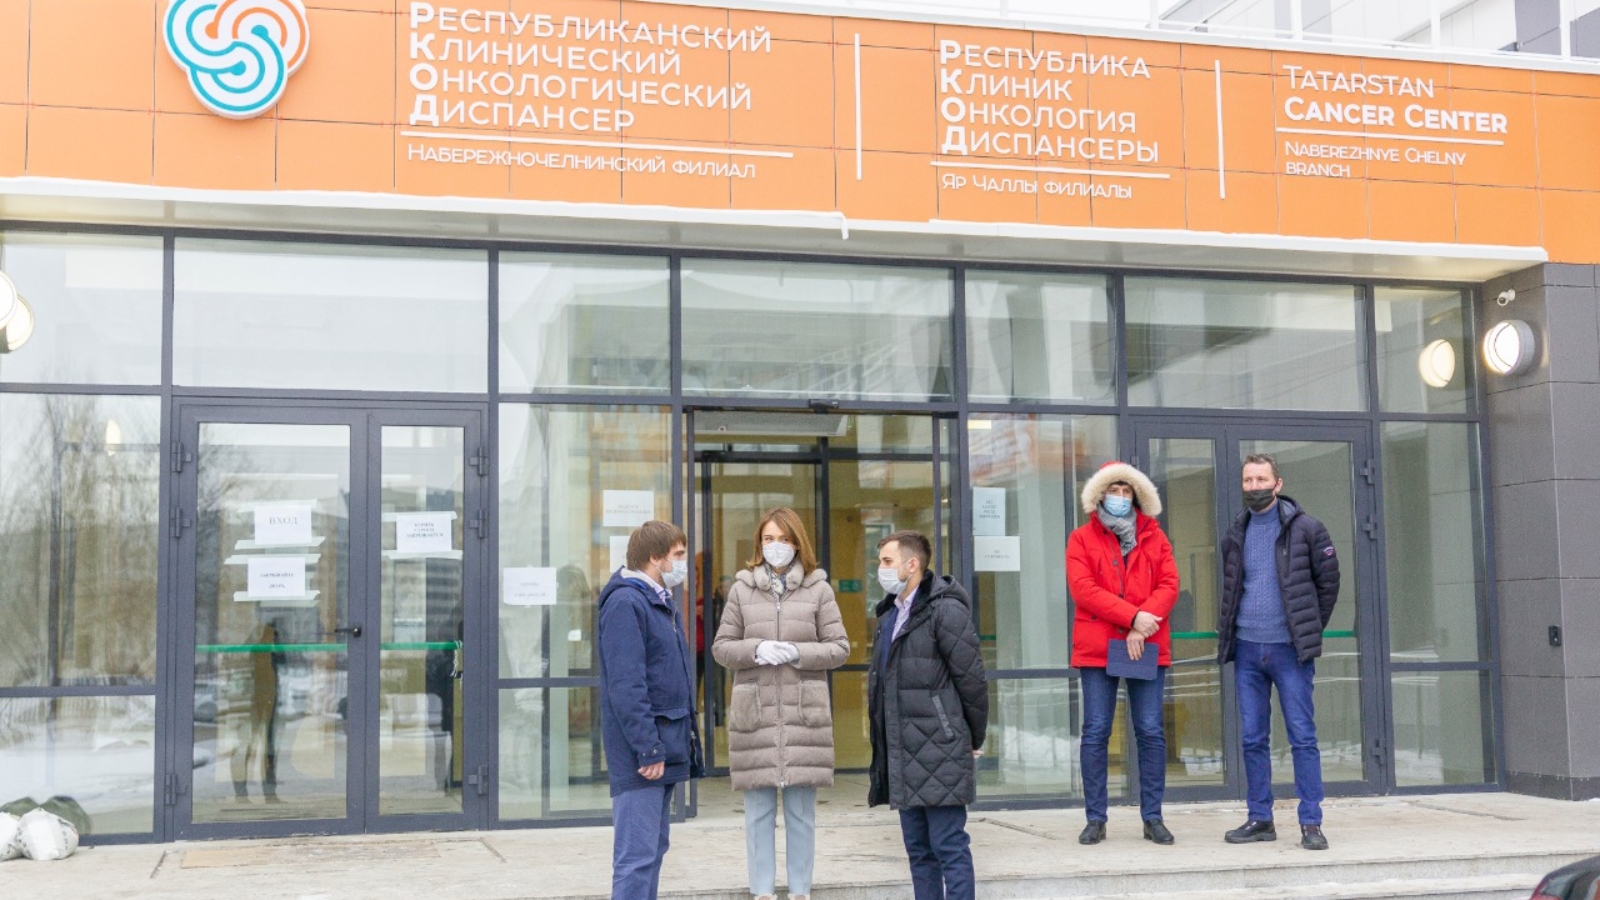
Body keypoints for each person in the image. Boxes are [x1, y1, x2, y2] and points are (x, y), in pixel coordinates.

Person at [713, 508, 850, 900]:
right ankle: (762, 891)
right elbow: (722, 647)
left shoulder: (818, 590)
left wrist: (797, 652)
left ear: (797, 542)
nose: (776, 546)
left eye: (784, 539)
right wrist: (756, 649)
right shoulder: (742, 590)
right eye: (768, 539)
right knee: (757, 812)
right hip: (755, 714)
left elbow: (839, 648)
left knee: (801, 813)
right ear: (760, 543)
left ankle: (800, 890)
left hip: (803, 715)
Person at [1217, 454, 1340, 851]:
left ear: (1278, 483)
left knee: (1302, 736)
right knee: (1253, 738)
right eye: (1248, 480)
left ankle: (1311, 822)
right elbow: (1232, 588)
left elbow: (1329, 584)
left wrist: (1305, 629)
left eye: (1261, 479)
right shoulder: (1236, 532)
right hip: (1248, 651)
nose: (1254, 486)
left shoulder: (1308, 529)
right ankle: (1260, 818)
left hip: (1290, 652)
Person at [868, 530, 988, 900]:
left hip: (940, 747)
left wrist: (972, 737)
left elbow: (971, 680)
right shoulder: (890, 615)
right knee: (919, 851)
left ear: (912, 564)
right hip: (903, 750)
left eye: (887, 561)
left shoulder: (945, 610)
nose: (881, 569)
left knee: (949, 846)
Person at [1066, 461, 1180, 846]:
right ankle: (1095, 819)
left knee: (1150, 730)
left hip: (1144, 642)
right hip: (1099, 647)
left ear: (1136, 496)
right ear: (1100, 495)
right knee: (1096, 730)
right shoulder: (1081, 539)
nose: (1119, 497)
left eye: (1125, 491)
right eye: (1112, 490)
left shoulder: (1156, 537)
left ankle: (1153, 817)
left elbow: (1169, 584)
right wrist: (1132, 616)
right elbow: (1084, 589)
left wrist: (1140, 625)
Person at [597, 519, 702, 900]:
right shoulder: (626, 603)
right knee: (636, 857)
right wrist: (648, 747)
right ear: (656, 558)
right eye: (678, 555)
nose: (683, 563)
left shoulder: (658, 600)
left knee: (653, 849)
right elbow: (626, 684)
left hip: (662, 745)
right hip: (643, 754)